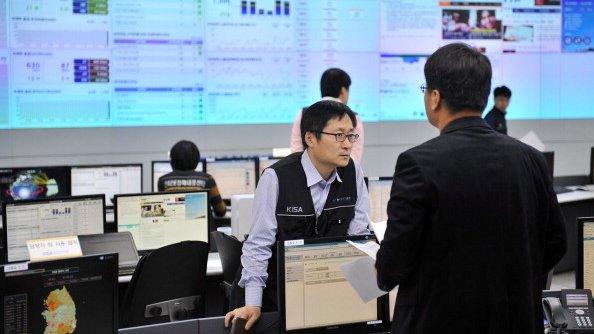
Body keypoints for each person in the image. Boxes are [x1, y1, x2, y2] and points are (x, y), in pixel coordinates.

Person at [375, 43, 566, 333]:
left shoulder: (417, 163)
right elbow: (556, 243)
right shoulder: (532, 159)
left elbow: (393, 265)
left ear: (435, 98)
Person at [226, 100, 371, 330]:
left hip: (320, 291)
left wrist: (371, 298)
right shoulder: (276, 177)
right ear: (310, 138)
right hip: (275, 294)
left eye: (351, 136)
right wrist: (253, 303)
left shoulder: (353, 172)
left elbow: (358, 239)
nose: (347, 145)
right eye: (339, 135)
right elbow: (258, 245)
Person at [290, 68, 365, 161]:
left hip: (305, 172)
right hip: (343, 174)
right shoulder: (352, 117)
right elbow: (355, 157)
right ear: (343, 90)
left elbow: (296, 150)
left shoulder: (303, 113)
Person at [157, 140, 226, 217]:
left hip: (175, 228)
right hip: (201, 228)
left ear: (172, 160)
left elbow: (164, 213)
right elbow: (220, 211)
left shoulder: (163, 181)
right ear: (196, 160)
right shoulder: (207, 179)